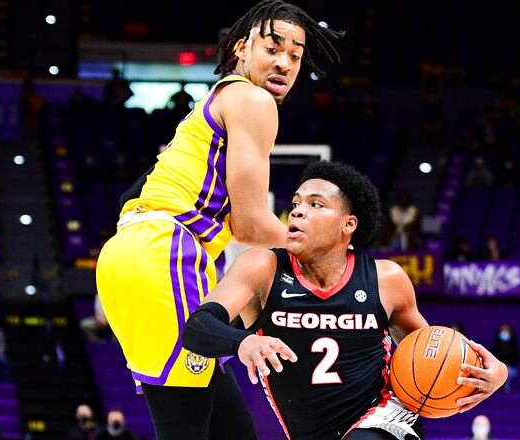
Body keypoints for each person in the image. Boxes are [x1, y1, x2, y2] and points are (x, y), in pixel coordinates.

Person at [94, 2, 345, 439]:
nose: (285, 62)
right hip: (163, 255)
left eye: (296, 54)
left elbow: (128, 195)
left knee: (231, 429)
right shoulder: (252, 99)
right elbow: (249, 226)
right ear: (240, 49)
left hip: (133, 255)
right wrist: (327, 252)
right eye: (273, 48)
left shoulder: (212, 107)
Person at [183, 161, 508, 439]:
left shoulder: (386, 279)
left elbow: (431, 355)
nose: (297, 210)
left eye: (315, 204)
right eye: (296, 203)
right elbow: (197, 327)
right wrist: (242, 343)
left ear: (348, 224)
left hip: (384, 419)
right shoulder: (263, 268)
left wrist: (491, 376)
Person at [490, 324, 519, 392]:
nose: (504, 333)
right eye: (503, 330)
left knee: (508, 371)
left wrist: (507, 364)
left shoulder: (514, 347)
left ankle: (506, 388)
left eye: (506, 331)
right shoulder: (495, 346)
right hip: (497, 367)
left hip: (510, 368)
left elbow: (516, 360)